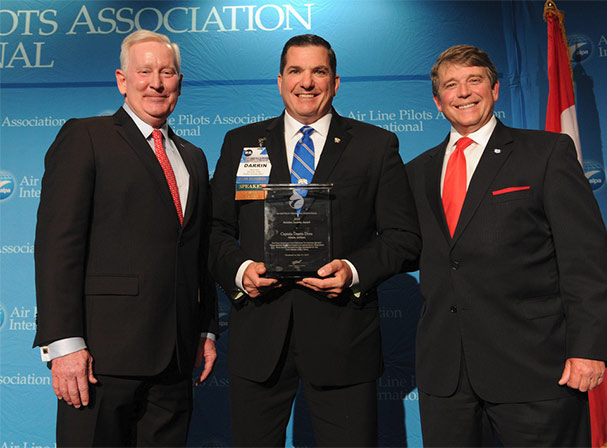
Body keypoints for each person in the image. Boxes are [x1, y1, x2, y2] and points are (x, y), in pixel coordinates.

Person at [209, 34, 420, 446]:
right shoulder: (242, 143)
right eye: (296, 71)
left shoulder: (375, 146)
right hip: (259, 338)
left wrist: (353, 270)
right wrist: (239, 271)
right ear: (280, 80)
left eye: (318, 71)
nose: (306, 82)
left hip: (343, 339)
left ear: (335, 82)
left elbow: (404, 238)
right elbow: (215, 231)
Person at [406, 44, 607, 446]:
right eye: (451, 85)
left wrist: (590, 348)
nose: (464, 92)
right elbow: (403, 248)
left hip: (536, 370)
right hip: (448, 379)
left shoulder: (545, 152)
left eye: (475, 80)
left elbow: (585, 256)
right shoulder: (417, 172)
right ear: (438, 102)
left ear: (496, 89)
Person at [33, 30, 218, 447]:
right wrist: (63, 345)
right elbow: (57, 246)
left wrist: (205, 331)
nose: (156, 82)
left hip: (175, 359)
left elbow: (198, 252)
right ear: (122, 80)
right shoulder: (86, 137)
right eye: (145, 71)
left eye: (167, 72)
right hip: (101, 360)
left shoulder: (193, 157)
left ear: (179, 82)